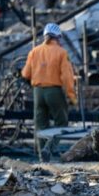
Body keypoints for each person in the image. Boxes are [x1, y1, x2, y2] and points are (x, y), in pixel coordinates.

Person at [21, 23, 77, 159]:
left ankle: (42, 159)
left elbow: (25, 74)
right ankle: (49, 148)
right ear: (58, 37)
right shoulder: (61, 52)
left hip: (38, 92)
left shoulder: (34, 51)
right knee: (61, 122)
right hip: (54, 91)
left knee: (41, 126)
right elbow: (67, 77)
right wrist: (72, 97)